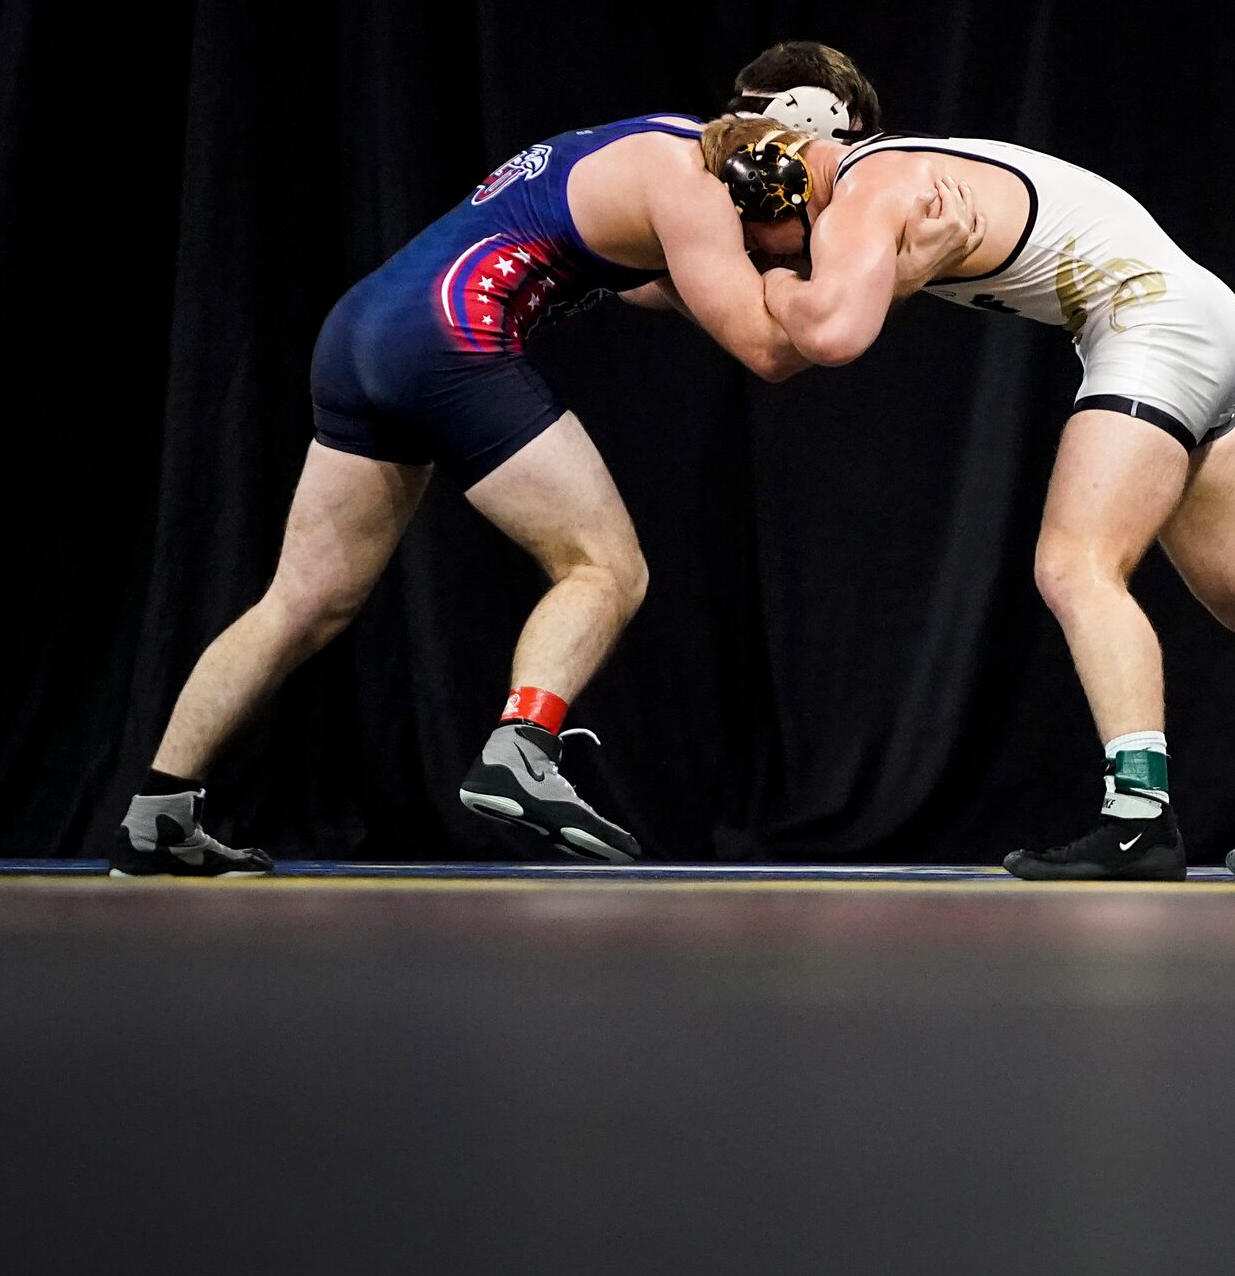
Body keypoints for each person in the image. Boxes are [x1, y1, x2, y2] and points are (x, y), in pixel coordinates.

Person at [110, 96, 981, 874]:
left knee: (303, 599)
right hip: (449, 333)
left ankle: (158, 813)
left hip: (362, 330)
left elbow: (661, 286)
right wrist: (898, 274)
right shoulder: (696, 189)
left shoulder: (652, 144)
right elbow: (768, 352)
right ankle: (522, 749)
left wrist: (790, 282)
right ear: (777, 178)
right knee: (606, 568)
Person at [711, 42, 1235, 882]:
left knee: (1076, 566)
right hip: (1193, 316)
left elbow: (832, 335)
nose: (746, 204)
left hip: (1149, 321)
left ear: (792, 131)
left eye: (747, 155)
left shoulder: (867, 190)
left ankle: (1139, 819)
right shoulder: (897, 175)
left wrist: (776, 291)